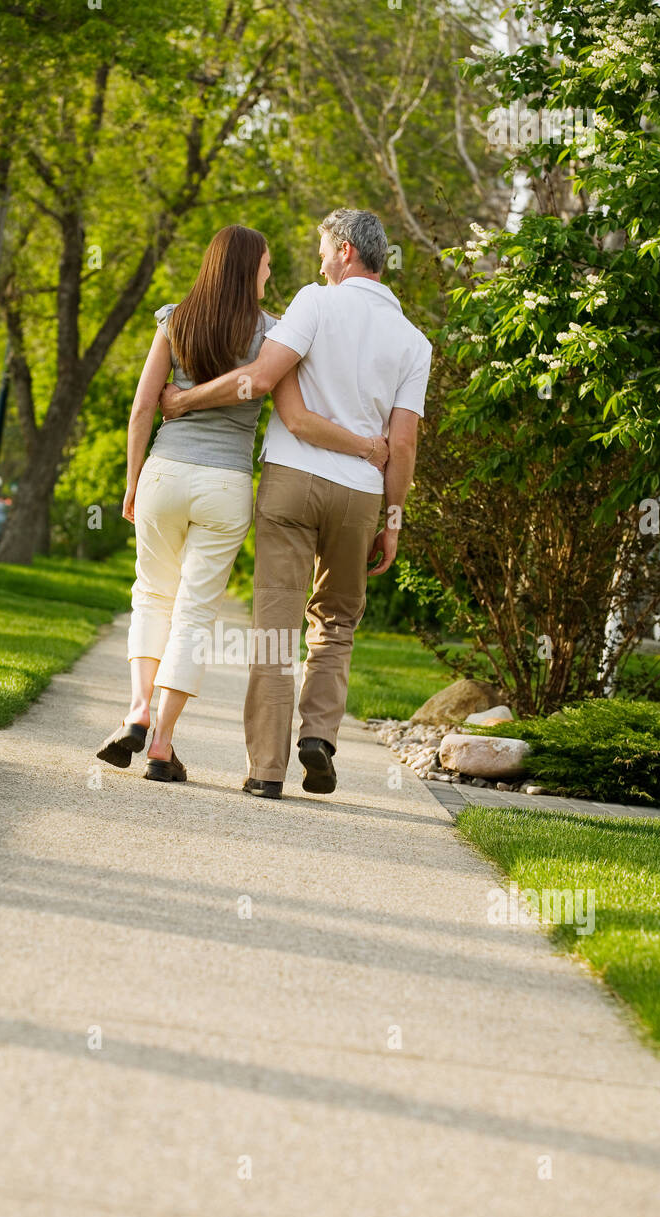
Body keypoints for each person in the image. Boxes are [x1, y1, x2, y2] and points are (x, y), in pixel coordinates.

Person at [97, 223, 390, 783]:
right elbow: (291, 412)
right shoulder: (272, 334)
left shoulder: (173, 318)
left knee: (152, 594)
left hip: (163, 473)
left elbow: (142, 409)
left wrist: (133, 480)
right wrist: (363, 447)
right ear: (248, 269)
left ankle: (136, 710)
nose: (272, 274)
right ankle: (160, 742)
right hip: (225, 485)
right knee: (195, 612)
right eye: (267, 265)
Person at [160, 208, 432, 798]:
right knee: (335, 624)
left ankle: (265, 771)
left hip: (290, 482)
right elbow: (403, 444)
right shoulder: (414, 342)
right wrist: (393, 519)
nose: (317, 260)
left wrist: (182, 403)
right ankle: (319, 736)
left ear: (345, 253)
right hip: (361, 495)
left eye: (323, 248)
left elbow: (256, 380)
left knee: (275, 628)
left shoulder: (313, 303)